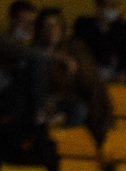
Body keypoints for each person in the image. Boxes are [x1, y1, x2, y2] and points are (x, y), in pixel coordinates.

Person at [27, 8, 112, 138]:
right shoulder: (32, 52)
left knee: (80, 108)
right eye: (47, 26)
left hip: (69, 99)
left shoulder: (74, 49)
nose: (52, 30)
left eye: (55, 25)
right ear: (40, 29)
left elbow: (89, 80)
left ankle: (70, 142)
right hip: (40, 103)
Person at [0, 0, 37, 106]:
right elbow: (19, 51)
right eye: (23, 22)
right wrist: (56, 56)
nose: (28, 27)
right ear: (12, 21)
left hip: (12, 98)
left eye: (31, 23)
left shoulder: (25, 46)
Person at [72, 0, 125, 78]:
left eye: (115, 6)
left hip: (112, 74)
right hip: (88, 71)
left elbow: (124, 56)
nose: (114, 9)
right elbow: (78, 49)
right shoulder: (83, 26)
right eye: (110, 6)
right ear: (99, 6)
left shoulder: (120, 29)